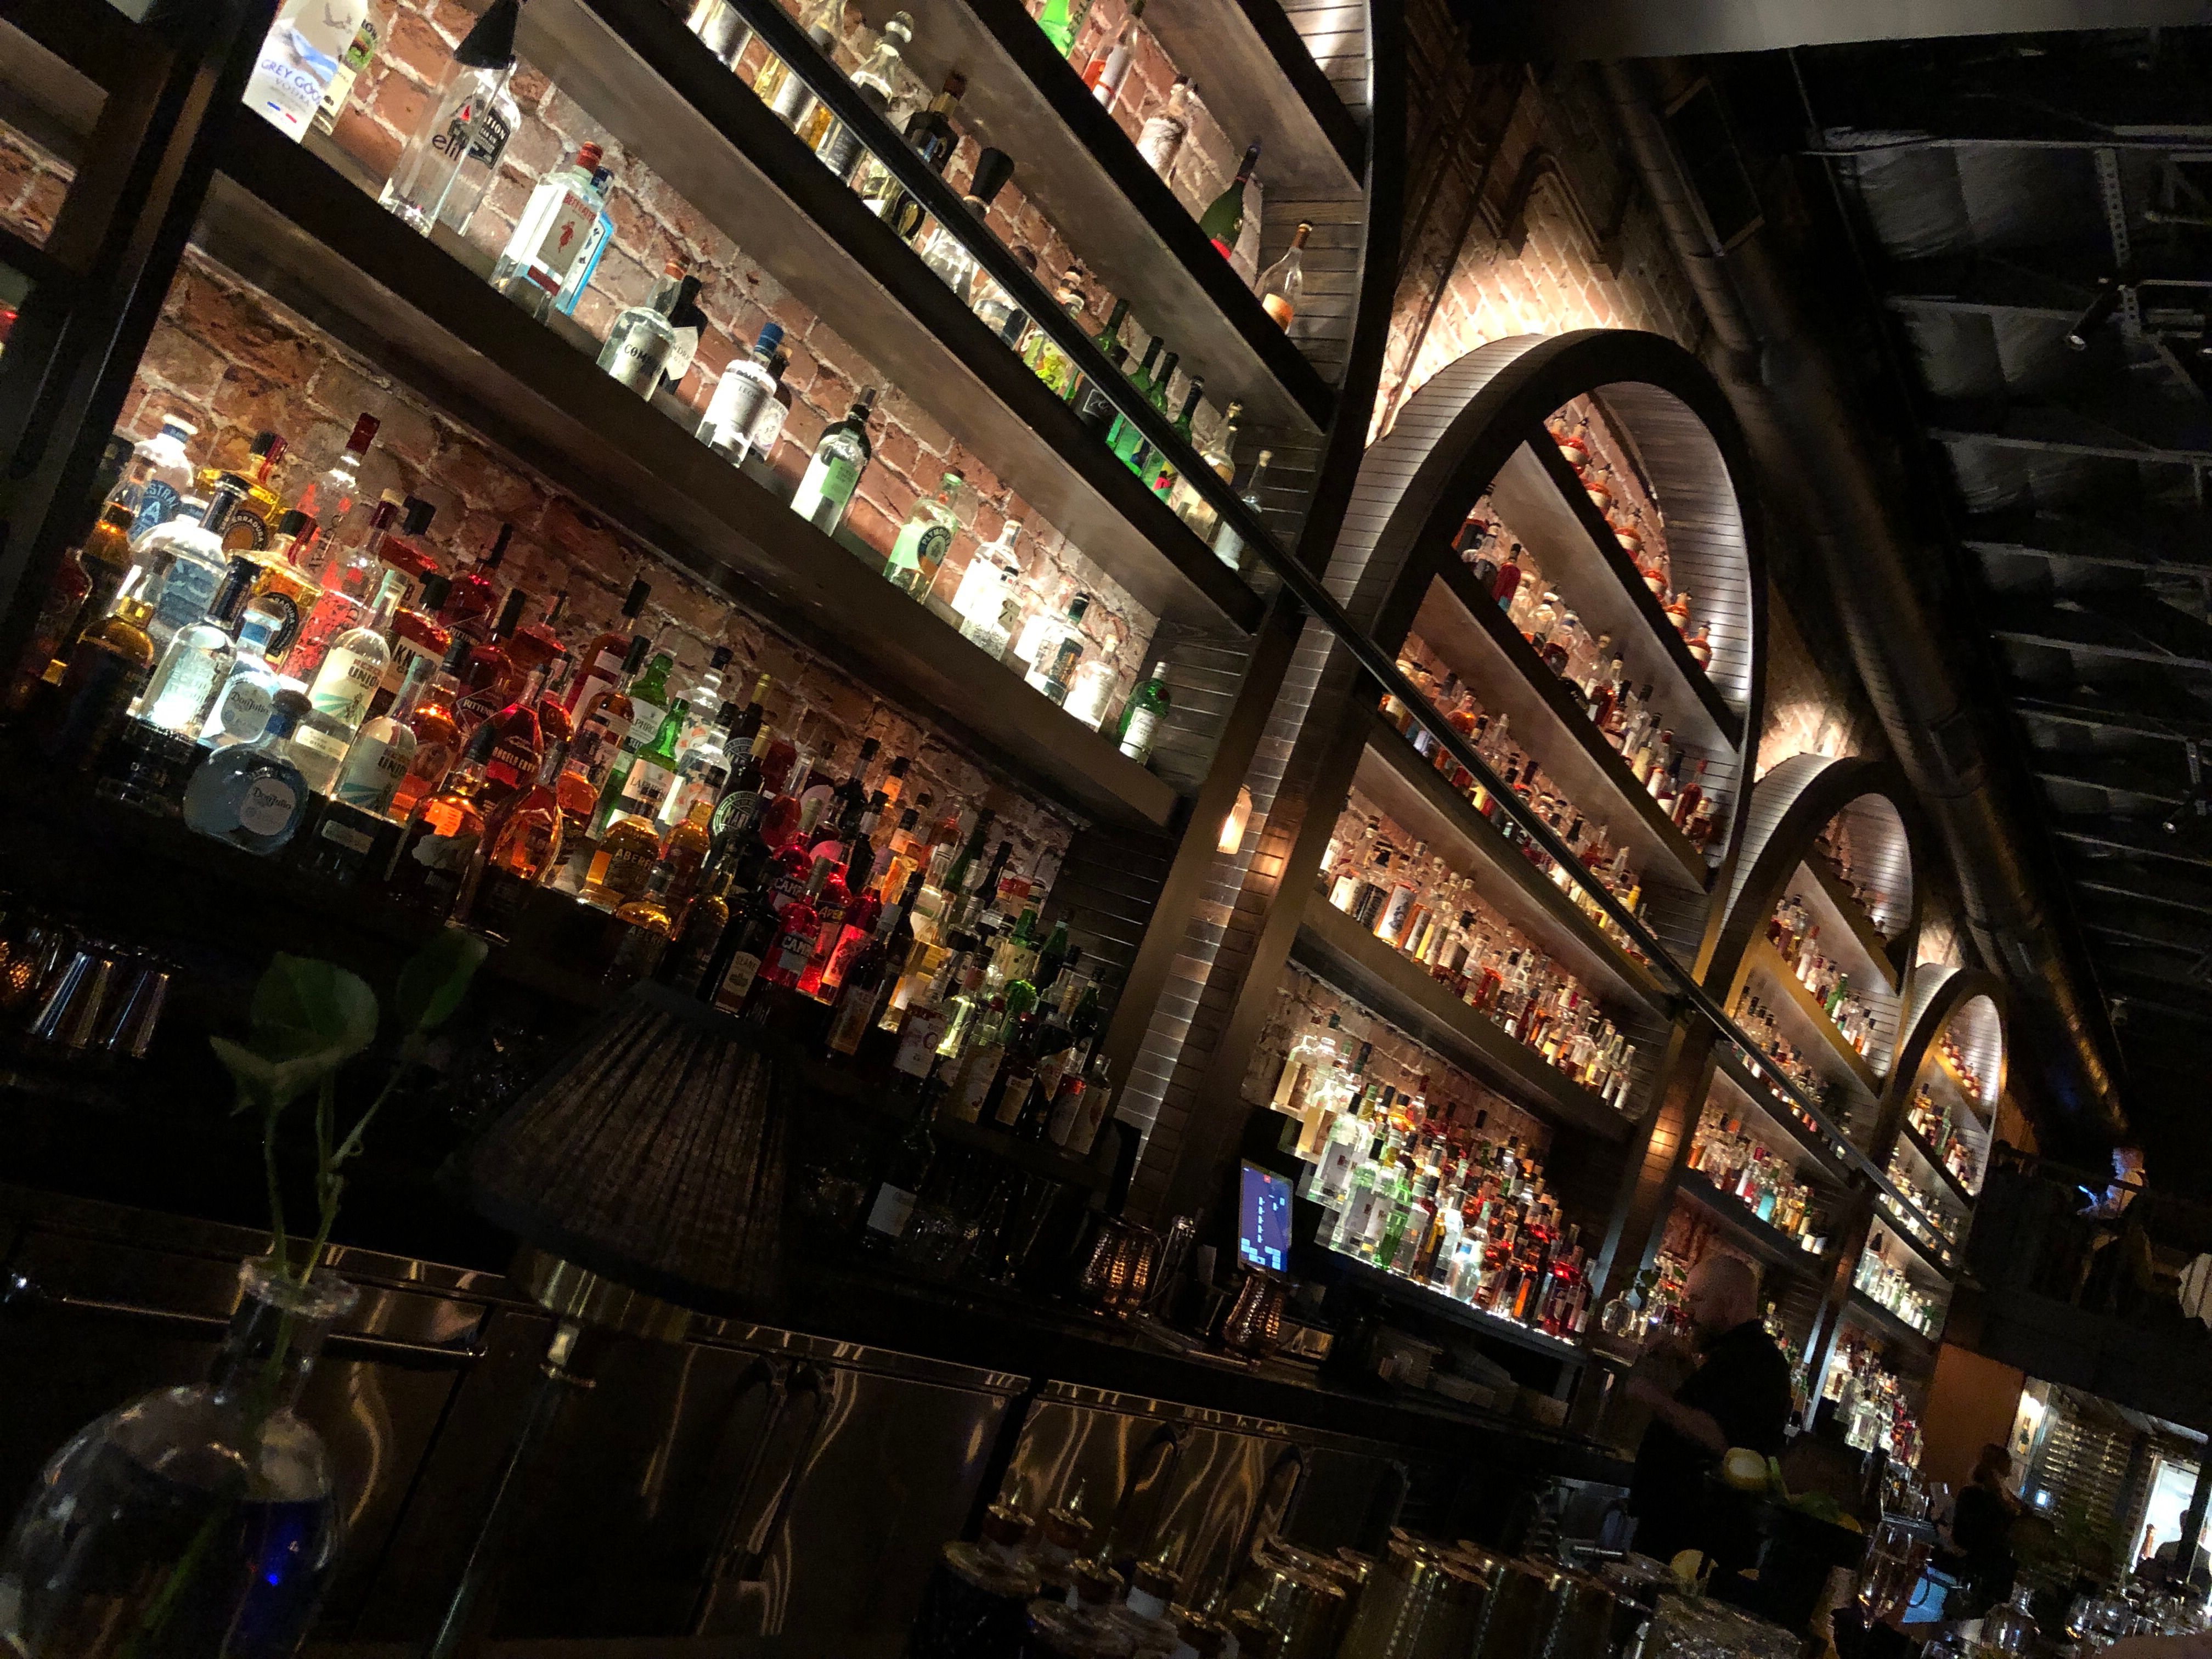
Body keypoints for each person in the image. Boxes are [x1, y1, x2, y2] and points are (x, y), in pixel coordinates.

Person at [1624, 1254, 1793, 1570]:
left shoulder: (1760, 1363)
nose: (1687, 1311)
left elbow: (1723, 1441)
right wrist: (1685, 1364)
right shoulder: (1735, 1354)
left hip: (1695, 1540)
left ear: (1730, 1302)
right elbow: (1711, 1408)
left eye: (1697, 1300)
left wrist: (1653, 1396)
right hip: (1674, 1525)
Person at [1944, 1443, 2019, 1616]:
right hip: (1999, 1590)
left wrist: (1939, 1526)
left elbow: (1961, 1543)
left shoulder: (1970, 1496)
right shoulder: (2010, 1507)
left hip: (1972, 1585)